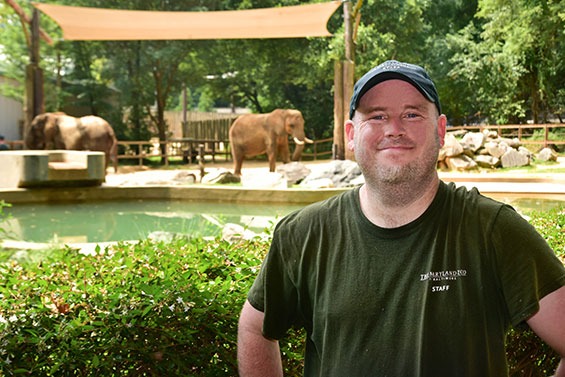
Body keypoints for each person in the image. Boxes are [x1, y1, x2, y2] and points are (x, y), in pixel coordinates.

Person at [237, 60, 565, 376]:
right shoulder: (303, 234)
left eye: (411, 114)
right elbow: (254, 326)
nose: (394, 129)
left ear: (440, 130)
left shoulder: (494, 230)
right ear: (351, 134)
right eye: (377, 116)